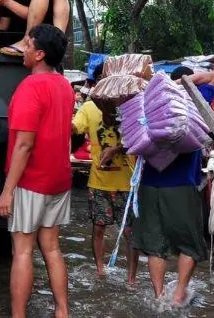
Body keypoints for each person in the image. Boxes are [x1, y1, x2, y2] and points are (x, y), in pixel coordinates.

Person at [0, 24, 75, 318]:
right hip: (59, 180)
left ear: (40, 54)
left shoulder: (30, 87)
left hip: (31, 182)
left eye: (27, 45)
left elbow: (24, 145)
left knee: (23, 251)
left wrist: (7, 190)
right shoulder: (64, 86)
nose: (23, 49)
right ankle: (62, 311)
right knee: (52, 248)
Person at [131, 128, 209, 307]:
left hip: (149, 184)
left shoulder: (148, 104)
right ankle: (178, 296)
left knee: (155, 245)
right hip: (181, 183)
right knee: (189, 244)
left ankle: (159, 297)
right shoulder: (192, 103)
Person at [72, 93, 141, 284]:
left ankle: (131, 279)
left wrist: (116, 150)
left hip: (127, 182)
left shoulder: (131, 106)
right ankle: (100, 270)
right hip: (98, 181)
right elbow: (75, 128)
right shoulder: (88, 107)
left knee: (129, 232)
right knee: (98, 227)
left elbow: (141, 141)